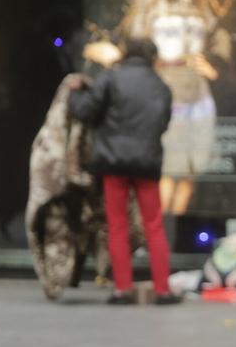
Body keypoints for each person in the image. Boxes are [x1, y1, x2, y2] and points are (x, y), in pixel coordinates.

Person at [68, 37, 181, 305]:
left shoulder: (110, 79)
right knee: (154, 225)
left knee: (117, 225)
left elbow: (85, 112)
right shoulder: (161, 86)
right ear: (151, 56)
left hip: (114, 163)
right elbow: (162, 124)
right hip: (147, 163)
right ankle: (163, 289)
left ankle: (122, 289)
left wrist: (76, 91)